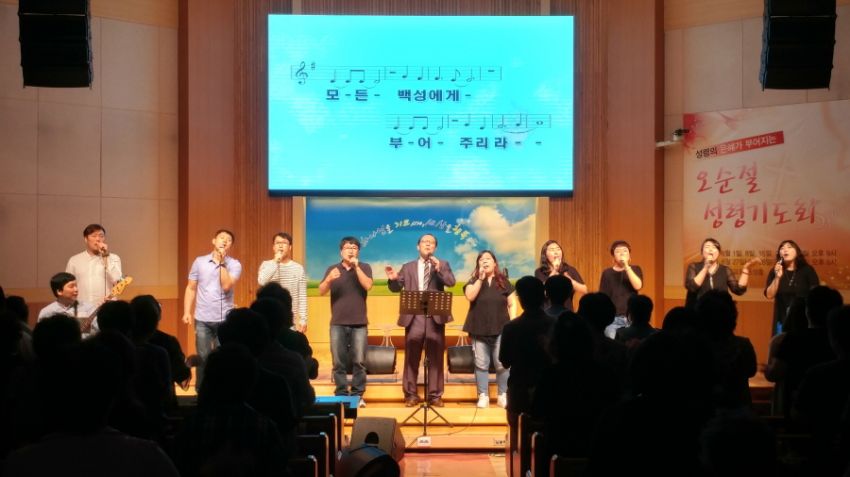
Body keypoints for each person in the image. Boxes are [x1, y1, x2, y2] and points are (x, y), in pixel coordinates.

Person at [386, 233, 456, 408]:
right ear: (418, 246)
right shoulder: (408, 267)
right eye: (425, 242)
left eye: (431, 242)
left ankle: (434, 395)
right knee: (411, 357)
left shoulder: (443, 264)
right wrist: (393, 279)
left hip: (435, 317)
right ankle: (410, 394)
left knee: (436, 357)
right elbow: (396, 287)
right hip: (414, 317)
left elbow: (451, 282)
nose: (428, 244)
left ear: (435, 247)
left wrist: (439, 268)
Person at [181, 229, 242, 389]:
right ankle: (201, 391)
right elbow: (191, 288)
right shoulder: (199, 262)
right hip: (202, 318)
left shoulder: (234, 264)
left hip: (225, 320)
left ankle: (223, 390)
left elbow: (226, 285)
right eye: (221, 238)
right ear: (213, 241)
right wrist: (187, 312)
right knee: (203, 358)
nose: (224, 241)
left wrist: (221, 263)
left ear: (230, 246)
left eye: (228, 240)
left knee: (224, 357)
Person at [319, 236, 373, 406]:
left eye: (355, 248)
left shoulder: (364, 267)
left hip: (359, 323)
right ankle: (341, 394)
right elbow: (321, 291)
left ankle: (357, 395)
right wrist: (329, 279)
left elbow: (368, 285)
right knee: (338, 362)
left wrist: (356, 267)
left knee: (359, 361)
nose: (351, 251)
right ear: (341, 251)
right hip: (337, 322)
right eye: (348, 248)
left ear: (358, 252)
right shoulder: (332, 269)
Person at [463, 250, 516, 408]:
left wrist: (512, 323)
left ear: (494, 263)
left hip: (501, 328)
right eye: (481, 259)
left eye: (488, 259)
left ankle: (502, 395)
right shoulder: (473, 280)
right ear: (478, 264)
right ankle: (483, 396)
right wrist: (480, 279)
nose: (484, 261)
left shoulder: (503, 281)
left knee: (502, 363)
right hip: (478, 328)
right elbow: (470, 296)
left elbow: (512, 303)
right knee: (481, 363)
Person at [685, 238, 760, 309]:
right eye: (707, 247)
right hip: (698, 311)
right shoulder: (694, 266)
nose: (711, 249)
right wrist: (705, 268)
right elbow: (692, 287)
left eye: (714, 247)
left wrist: (745, 270)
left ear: (719, 253)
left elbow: (738, 290)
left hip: (720, 311)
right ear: (702, 252)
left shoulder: (725, 270)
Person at [764, 239, 820, 335]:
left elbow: (816, 295)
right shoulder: (775, 271)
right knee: (782, 343)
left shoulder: (807, 270)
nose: (785, 250)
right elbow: (769, 295)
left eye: (789, 247)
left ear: (797, 252)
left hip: (804, 320)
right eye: (782, 248)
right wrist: (777, 277)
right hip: (782, 320)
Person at [257, 232, 308, 333]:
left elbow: (302, 295)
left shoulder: (298, 268)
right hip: (268, 317)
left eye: (284, 243)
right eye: (277, 243)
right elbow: (262, 281)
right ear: (273, 247)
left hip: (290, 319)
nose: (280, 245)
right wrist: (275, 262)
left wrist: (303, 319)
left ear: (290, 247)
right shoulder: (266, 265)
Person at [65, 224, 123, 304]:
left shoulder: (114, 258)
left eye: (101, 236)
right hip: (82, 307)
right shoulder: (74, 260)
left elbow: (117, 280)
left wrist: (105, 256)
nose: (98, 239)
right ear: (86, 239)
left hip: (107, 306)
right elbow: (68, 285)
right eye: (94, 236)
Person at [599, 240, 643, 338]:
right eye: (618, 251)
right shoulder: (607, 273)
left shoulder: (635, 269)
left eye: (625, 251)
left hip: (632, 318)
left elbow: (638, 286)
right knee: (612, 343)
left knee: (632, 343)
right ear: (613, 256)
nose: (622, 253)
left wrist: (626, 266)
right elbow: (603, 297)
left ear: (629, 255)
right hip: (613, 319)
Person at [534, 240, 587, 310]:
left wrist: (571, 281)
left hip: (566, 311)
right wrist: (554, 270)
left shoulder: (569, 269)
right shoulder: (540, 271)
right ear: (545, 254)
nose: (556, 252)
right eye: (552, 250)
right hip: (547, 312)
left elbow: (584, 290)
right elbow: (542, 293)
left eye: (558, 249)